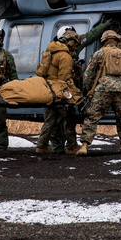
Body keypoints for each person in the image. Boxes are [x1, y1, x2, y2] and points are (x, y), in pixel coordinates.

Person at [76, 30, 121, 155]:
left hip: (103, 90)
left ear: (103, 40)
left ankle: (84, 146)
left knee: (92, 116)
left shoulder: (99, 53)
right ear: (116, 40)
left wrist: (87, 90)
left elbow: (89, 75)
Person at [34, 26, 84, 154]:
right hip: (60, 92)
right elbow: (65, 80)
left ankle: (41, 145)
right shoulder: (65, 57)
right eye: (75, 44)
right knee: (69, 118)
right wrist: (75, 96)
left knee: (50, 120)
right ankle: (72, 147)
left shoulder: (51, 50)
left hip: (49, 91)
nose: (75, 47)